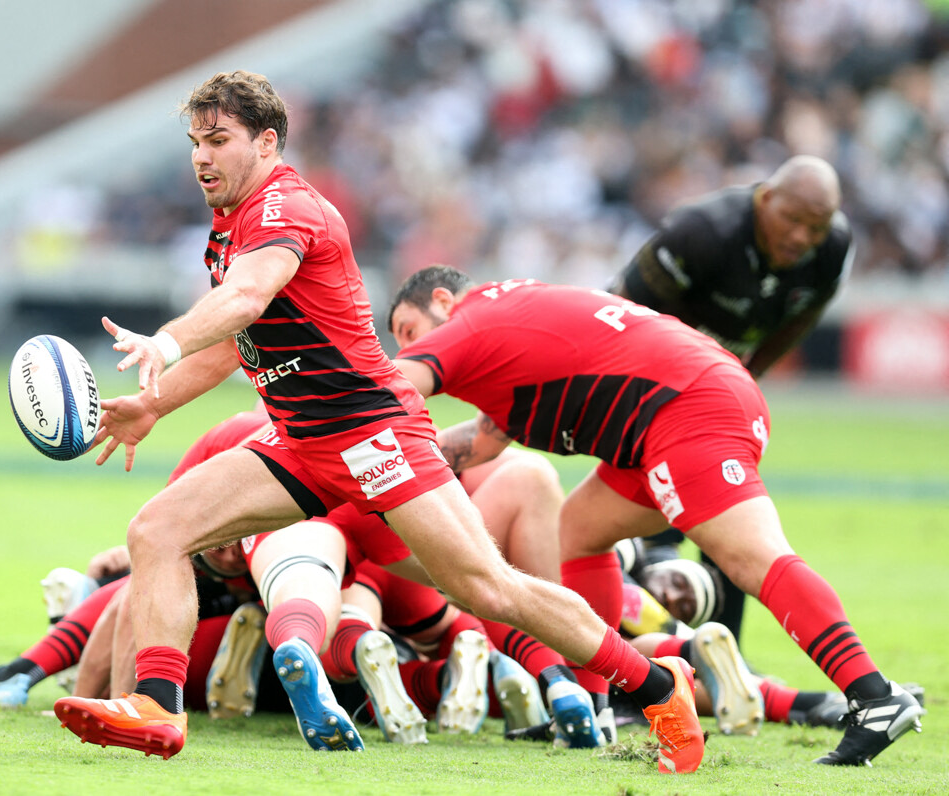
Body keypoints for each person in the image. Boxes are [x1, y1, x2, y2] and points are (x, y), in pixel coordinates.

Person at [52, 70, 703, 774]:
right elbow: (231, 348)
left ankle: (661, 688)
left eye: (218, 140)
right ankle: (157, 707)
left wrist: (166, 342)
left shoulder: (286, 207)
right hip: (301, 442)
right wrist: (152, 403)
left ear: (267, 143)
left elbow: (243, 300)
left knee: (488, 588)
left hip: (373, 435)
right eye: (194, 143)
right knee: (157, 531)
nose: (201, 157)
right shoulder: (231, 224)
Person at [387, 264, 926, 767]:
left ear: (441, 300)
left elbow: (384, 392)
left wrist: (321, 446)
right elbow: (475, 442)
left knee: (751, 558)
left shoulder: (470, 323)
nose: (412, 344)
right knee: (578, 533)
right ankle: (592, 710)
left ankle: (874, 696)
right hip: (674, 410)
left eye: (409, 329)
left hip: (685, 406)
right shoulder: (501, 322)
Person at [607, 156, 853, 642]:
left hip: (716, 387)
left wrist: (743, 377)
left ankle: (725, 660)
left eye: (816, 227)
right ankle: (650, 659)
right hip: (645, 380)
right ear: (765, 199)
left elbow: (804, 314)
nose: (803, 237)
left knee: (728, 519)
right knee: (651, 527)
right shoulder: (701, 233)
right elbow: (620, 312)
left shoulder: (833, 246)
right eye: (793, 220)